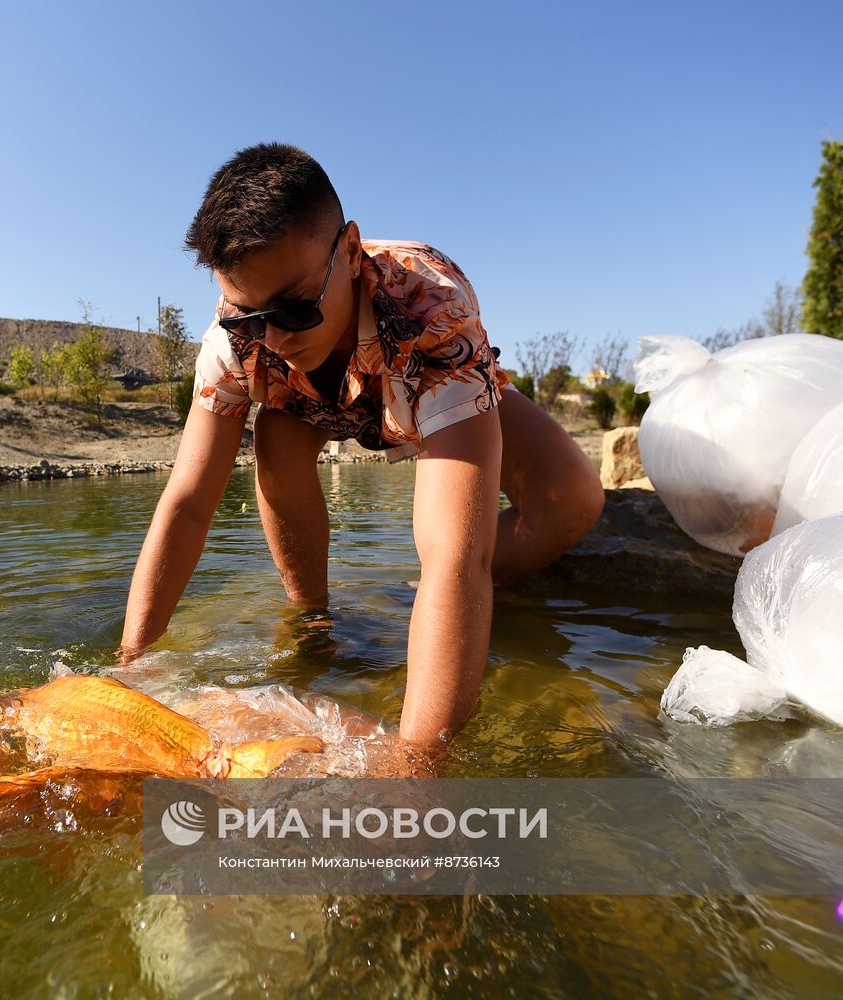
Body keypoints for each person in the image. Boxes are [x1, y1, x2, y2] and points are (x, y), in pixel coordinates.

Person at [118, 143, 604, 749]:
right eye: (247, 316)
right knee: (276, 435)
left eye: (294, 308)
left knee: (574, 500)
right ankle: (313, 617)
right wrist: (131, 665)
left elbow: (456, 554)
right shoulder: (234, 340)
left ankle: (419, 598)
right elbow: (188, 502)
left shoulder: (430, 302)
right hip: (309, 407)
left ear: (349, 251)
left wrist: (416, 765)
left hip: (418, 384)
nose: (269, 336)